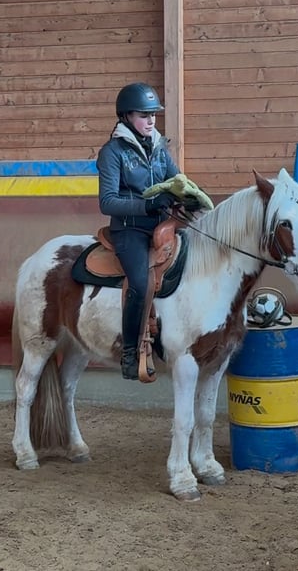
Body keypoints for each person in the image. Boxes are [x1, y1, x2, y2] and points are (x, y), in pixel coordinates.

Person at [97, 82, 181, 381]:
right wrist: (147, 206)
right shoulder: (112, 152)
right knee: (141, 283)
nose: (151, 120)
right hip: (129, 231)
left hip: (162, 227)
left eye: (153, 115)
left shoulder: (159, 146)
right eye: (144, 115)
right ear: (126, 117)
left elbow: (177, 180)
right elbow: (107, 202)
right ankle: (130, 353)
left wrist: (190, 196)